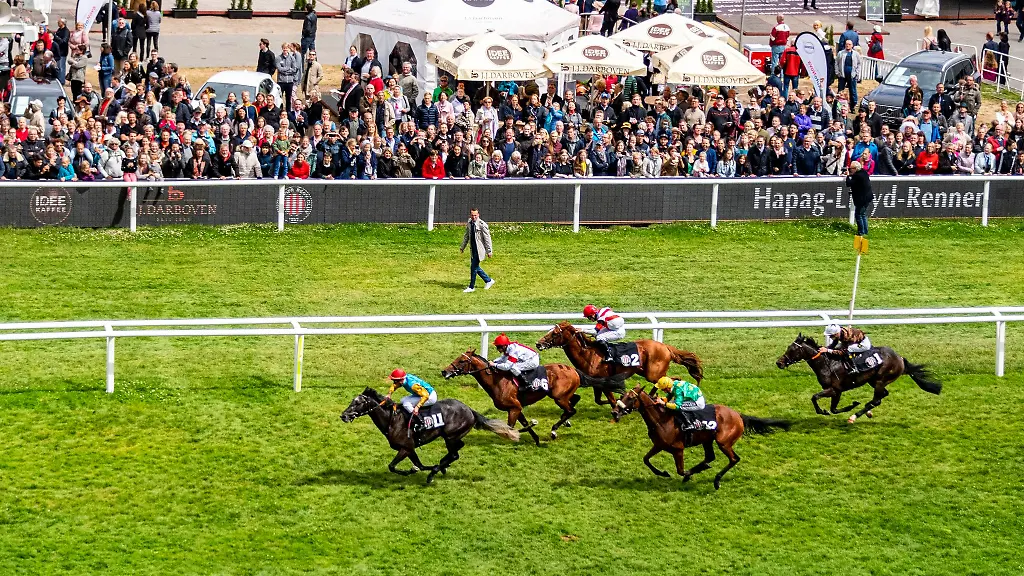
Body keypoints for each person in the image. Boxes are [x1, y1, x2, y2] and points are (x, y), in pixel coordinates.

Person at [460, 208, 494, 292]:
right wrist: (462, 247)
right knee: (475, 267)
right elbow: (466, 236)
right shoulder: (469, 223)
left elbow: (487, 239)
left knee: (473, 268)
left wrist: (489, 251)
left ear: (478, 215)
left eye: (475, 215)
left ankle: (471, 287)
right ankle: (488, 280)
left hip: (479, 250)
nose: (474, 217)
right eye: (472, 215)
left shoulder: (482, 225)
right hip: (473, 249)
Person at [847, 160, 873, 236]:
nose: (850, 170)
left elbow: (849, 183)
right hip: (867, 197)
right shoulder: (863, 172)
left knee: (858, 215)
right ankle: (865, 231)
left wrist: (848, 176)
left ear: (855, 169)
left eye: (851, 168)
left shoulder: (857, 176)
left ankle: (861, 232)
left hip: (862, 199)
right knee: (863, 214)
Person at [835, 39, 861, 110]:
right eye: (846, 44)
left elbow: (859, 64)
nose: (847, 45)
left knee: (853, 91)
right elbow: (836, 63)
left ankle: (853, 106)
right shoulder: (841, 53)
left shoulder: (856, 54)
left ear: (852, 45)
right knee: (840, 90)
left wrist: (857, 73)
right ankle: (838, 105)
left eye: (849, 44)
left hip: (852, 75)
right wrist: (837, 72)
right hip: (842, 75)